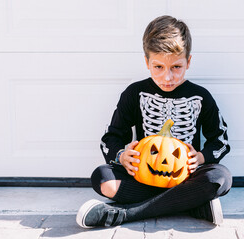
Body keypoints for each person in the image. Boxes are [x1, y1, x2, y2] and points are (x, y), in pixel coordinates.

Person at [76, 15, 232, 228]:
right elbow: (111, 138)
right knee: (102, 177)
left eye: (176, 67)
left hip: (186, 176)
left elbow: (220, 140)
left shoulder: (201, 96)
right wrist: (121, 156)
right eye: (158, 67)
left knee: (220, 177)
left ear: (188, 61)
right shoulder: (134, 93)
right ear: (147, 62)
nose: (167, 77)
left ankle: (125, 214)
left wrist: (202, 157)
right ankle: (193, 204)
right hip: (143, 174)